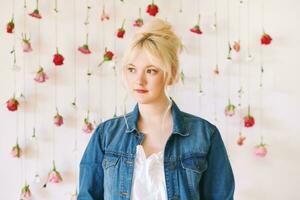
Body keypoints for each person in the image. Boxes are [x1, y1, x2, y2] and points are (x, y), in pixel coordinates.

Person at [78, 18, 235, 200]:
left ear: (172, 74)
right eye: (131, 69)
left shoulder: (204, 135)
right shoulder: (106, 135)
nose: (139, 80)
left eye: (151, 71)